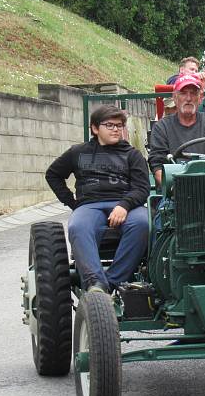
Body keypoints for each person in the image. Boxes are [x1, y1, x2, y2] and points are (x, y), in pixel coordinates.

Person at [45, 105, 150, 293]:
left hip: (126, 205)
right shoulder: (78, 152)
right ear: (95, 128)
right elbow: (53, 174)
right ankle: (95, 282)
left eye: (119, 125)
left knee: (143, 223)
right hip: (90, 205)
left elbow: (142, 188)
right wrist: (73, 204)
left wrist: (124, 205)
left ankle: (111, 283)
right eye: (109, 125)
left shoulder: (132, 155)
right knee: (78, 226)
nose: (116, 129)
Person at [148, 74, 205, 186]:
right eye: (183, 93)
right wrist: (174, 190)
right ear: (174, 97)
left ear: (200, 98)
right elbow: (157, 165)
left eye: (193, 93)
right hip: (175, 189)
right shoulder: (162, 127)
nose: (188, 98)